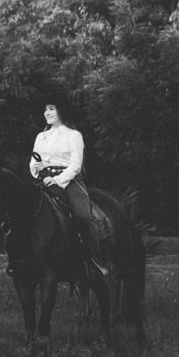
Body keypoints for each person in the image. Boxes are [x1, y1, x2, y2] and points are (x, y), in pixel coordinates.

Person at [29, 102, 109, 279]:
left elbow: (75, 165)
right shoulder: (41, 136)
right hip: (43, 180)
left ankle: (94, 261)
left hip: (69, 181)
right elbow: (33, 161)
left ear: (61, 111)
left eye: (51, 109)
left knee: (83, 216)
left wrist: (57, 180)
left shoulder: (74, 135)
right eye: (45, 109)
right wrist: (38, 170)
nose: (47, 113)